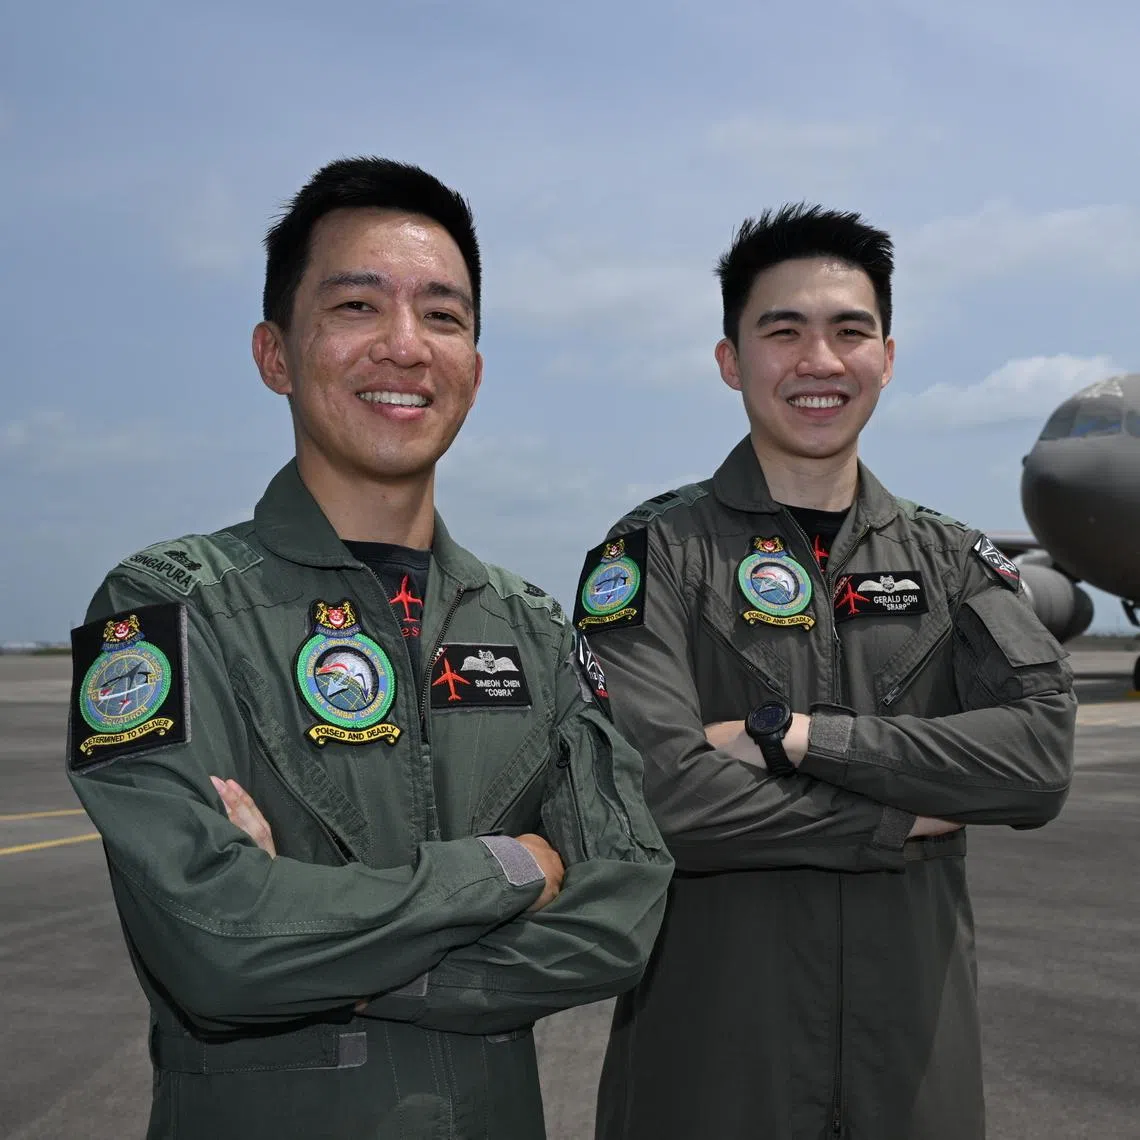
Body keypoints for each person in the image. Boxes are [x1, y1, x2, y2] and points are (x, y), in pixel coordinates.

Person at [66, 156, 672, 1140]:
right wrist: (511, 871)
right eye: (356, 305)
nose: (404, 346)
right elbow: (213, 945)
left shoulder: (533, 629)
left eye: (442, 315)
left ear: (473, 366)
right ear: (275, 352)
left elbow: (625, 913)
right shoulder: (160, 609)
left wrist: (330, 960)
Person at [575, 204, 1076, 1140]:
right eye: (784, 331)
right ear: (731, 361)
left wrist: (794, 738)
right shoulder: (653, 556)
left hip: (914, 1081)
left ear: (887, 357)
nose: (820, 359)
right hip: (711, 1078)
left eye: (851, 331)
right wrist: (907, 810)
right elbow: (660, 800)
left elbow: (1039, 760)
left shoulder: (957, 562)